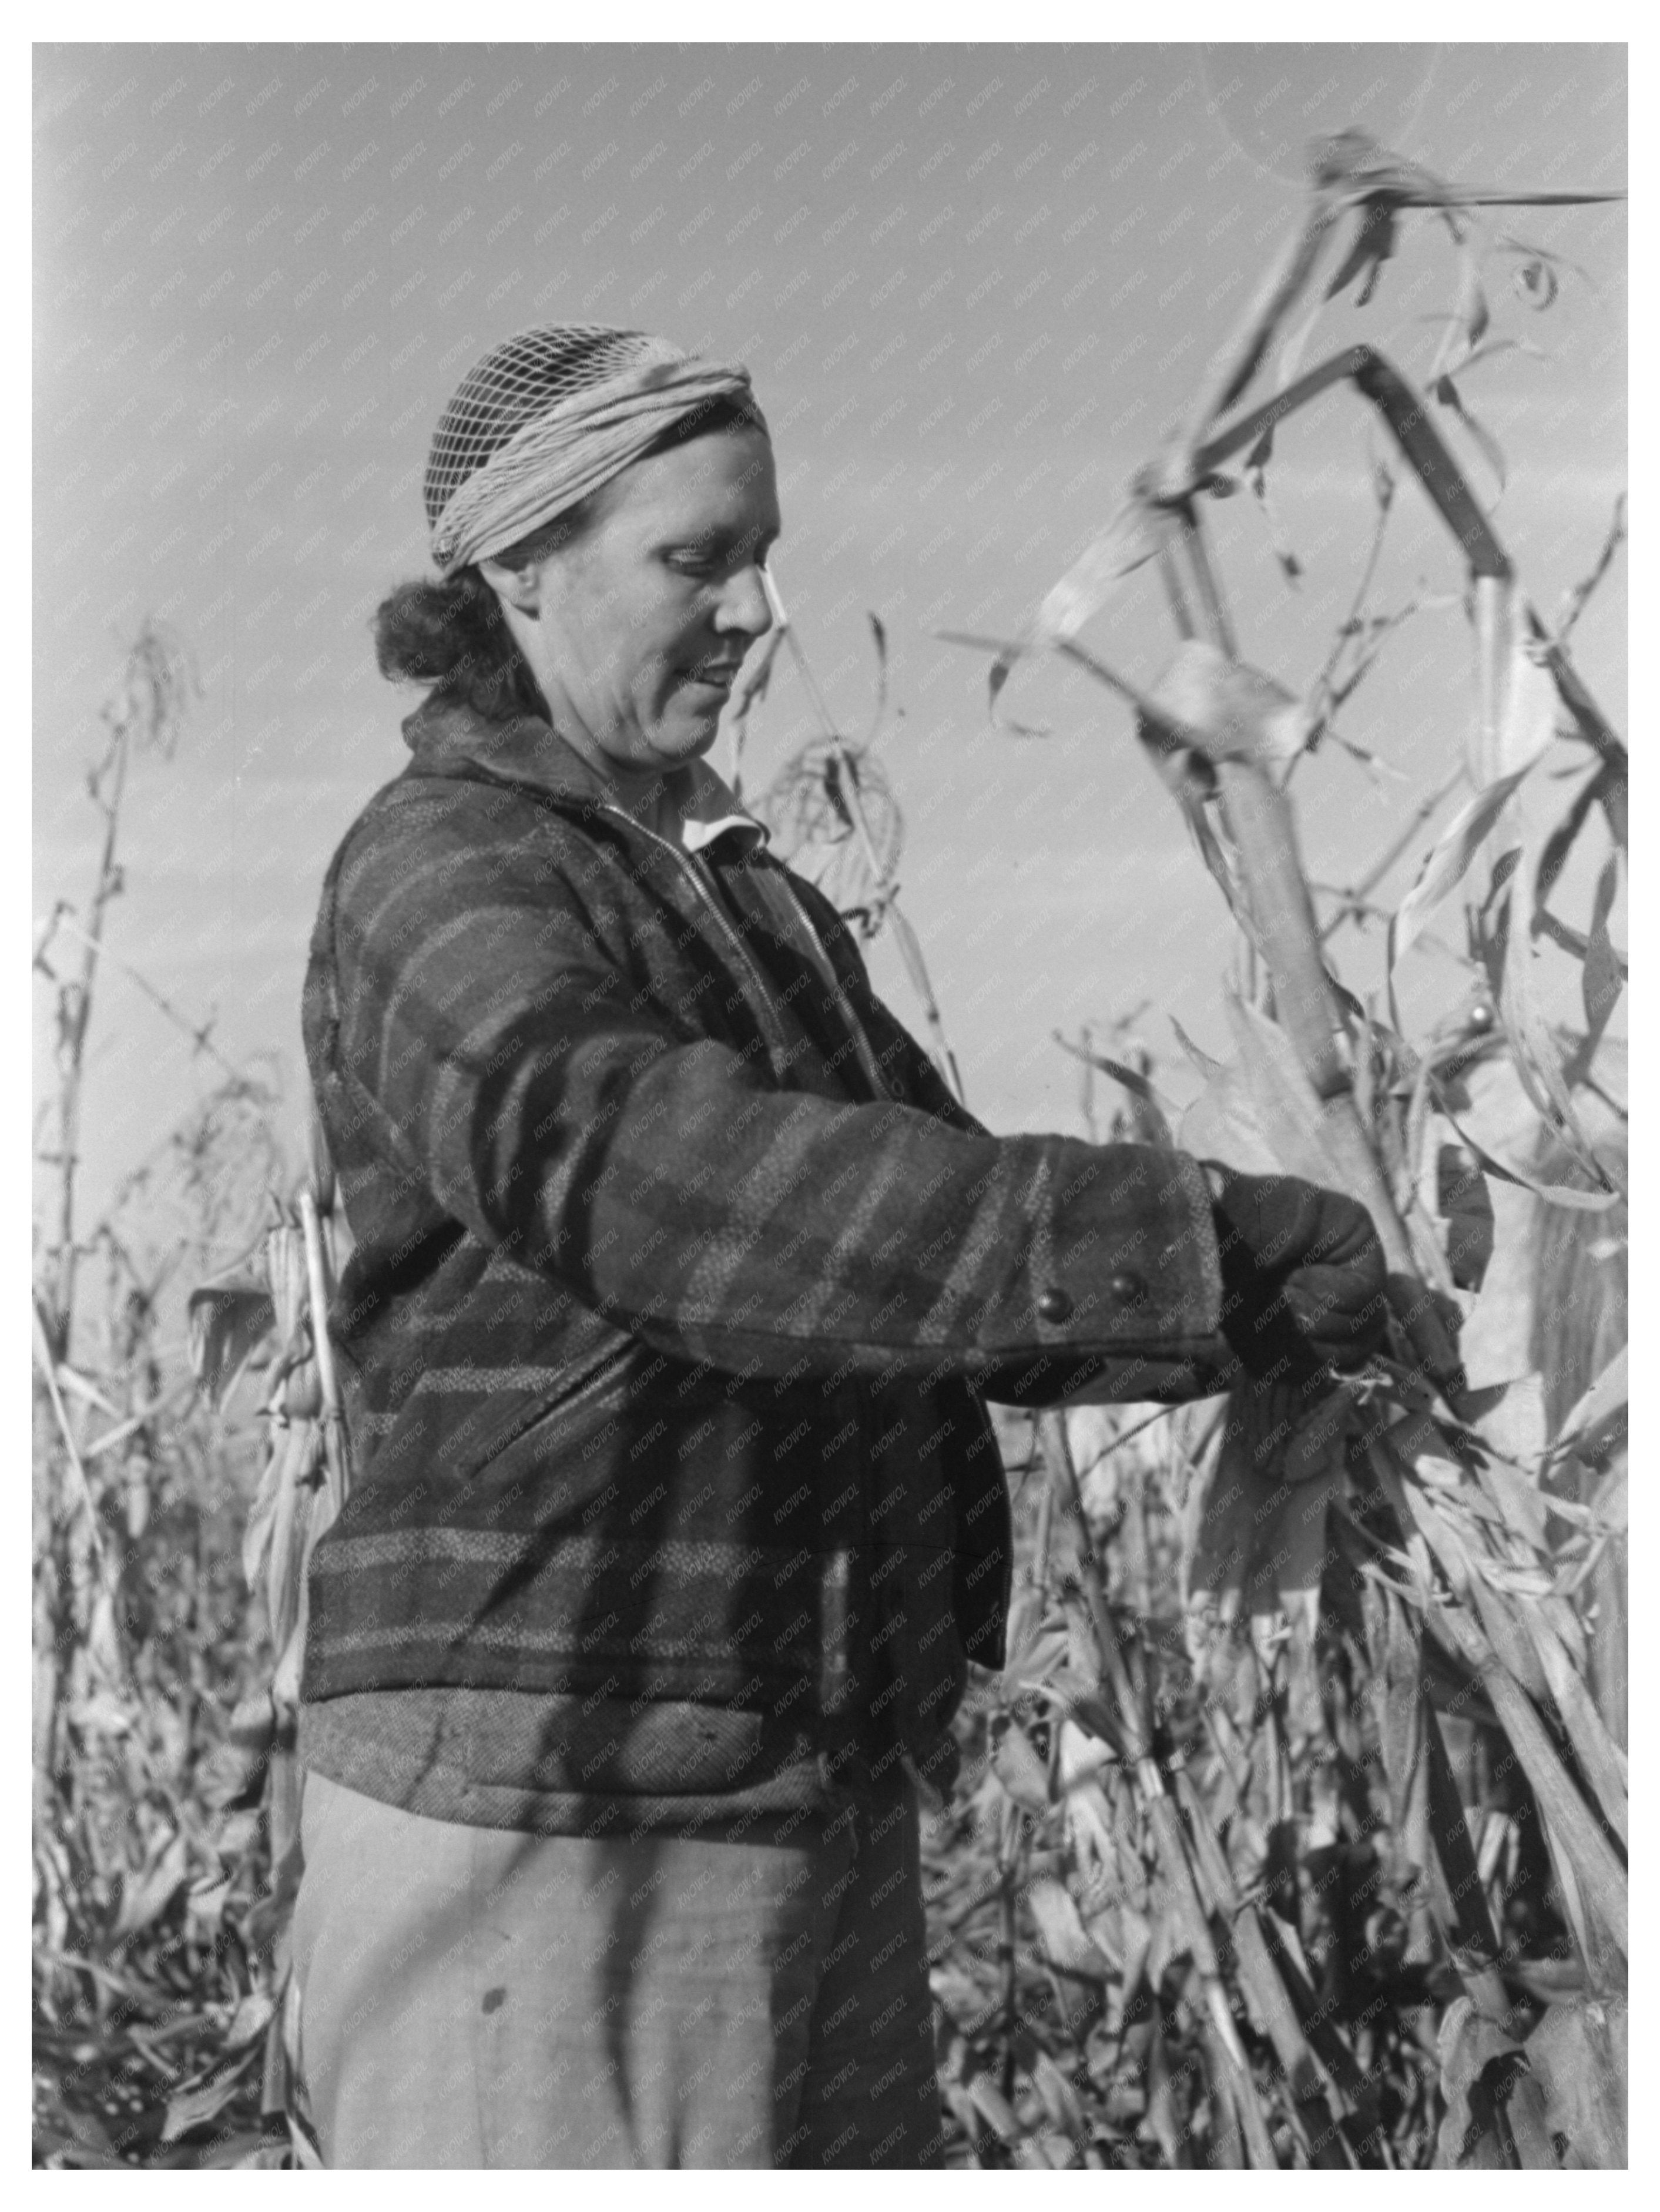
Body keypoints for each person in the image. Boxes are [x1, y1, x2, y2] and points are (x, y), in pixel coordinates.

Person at [289, 323, 1387, 2169]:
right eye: (694, 559)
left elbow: (947, 1244)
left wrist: (1310, 1282)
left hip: (799, 1775)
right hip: (554, 1802)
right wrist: (1210, 1245)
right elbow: (666, 1188)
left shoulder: (744, 899)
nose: (755, 611)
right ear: (517, 573)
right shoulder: (442, 866)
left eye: (765, 554)